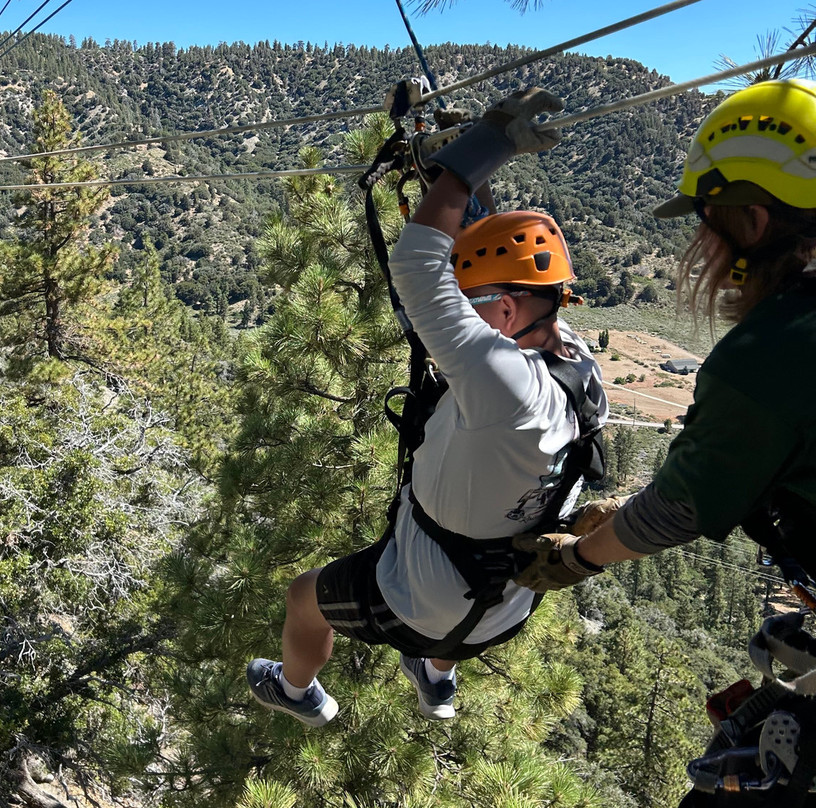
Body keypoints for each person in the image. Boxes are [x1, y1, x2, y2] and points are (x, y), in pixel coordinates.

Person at [246, 88, 609, 727]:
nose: (460, 313)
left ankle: (298, 693)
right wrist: (456, 181)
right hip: (503, 609)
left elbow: (418, 266)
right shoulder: (575, 366)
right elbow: (487, 255)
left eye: (474, 301)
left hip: (420, 601)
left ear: (504, 310)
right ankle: (436, 681)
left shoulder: (504, 383)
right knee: (463, 566)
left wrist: (484, 149)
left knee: (305, 599)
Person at [510, 79, 816, 800]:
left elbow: (678, 511)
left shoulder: (776, 350)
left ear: (751, 220)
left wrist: (577, 558)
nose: (700, 245)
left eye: (707, 223)